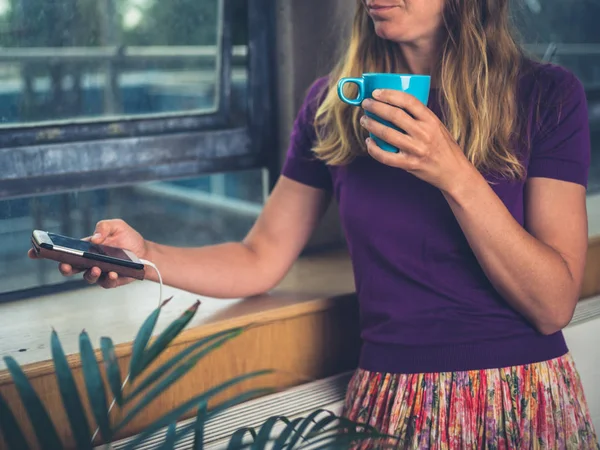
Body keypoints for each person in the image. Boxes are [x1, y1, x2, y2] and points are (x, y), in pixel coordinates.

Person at [31, 0, 599, 447]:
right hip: (388, 403)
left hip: (522, 398)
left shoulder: (547, 97)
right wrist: (144, 252)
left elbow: (552, 305)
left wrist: (453, 172)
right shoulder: (333, 104)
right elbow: (261, 258)